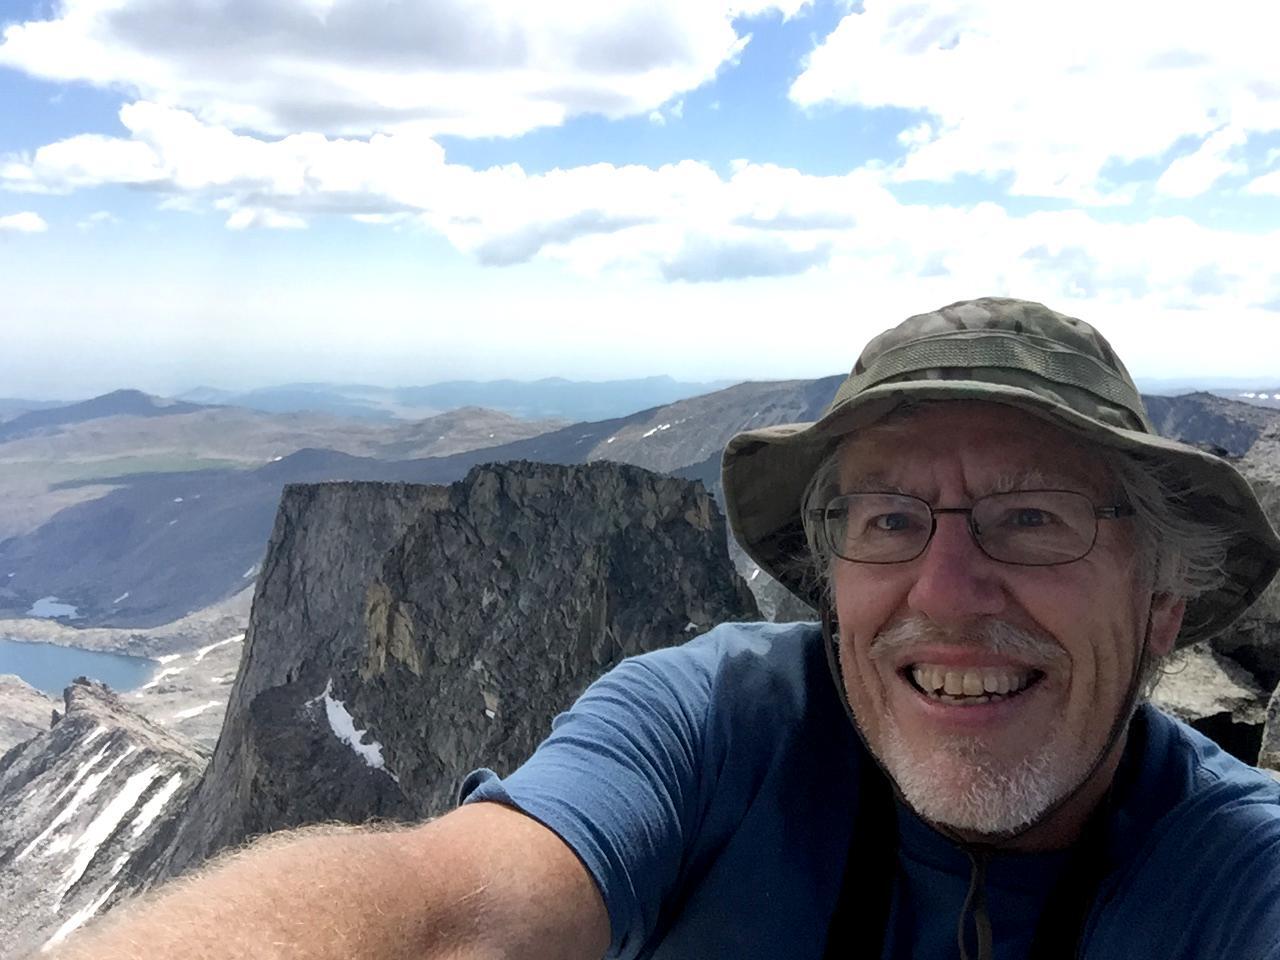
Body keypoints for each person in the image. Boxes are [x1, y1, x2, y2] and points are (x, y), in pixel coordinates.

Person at [47, 298, 1280, 960]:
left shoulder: (1233, 877)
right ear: (831, 579)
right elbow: (440, 909)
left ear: (1160, 599)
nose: (946, 588)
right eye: (890, 520)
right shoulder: (711, 725)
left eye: (1030, 519)